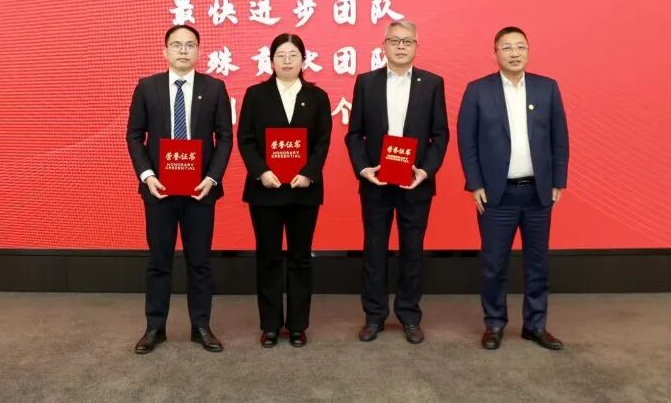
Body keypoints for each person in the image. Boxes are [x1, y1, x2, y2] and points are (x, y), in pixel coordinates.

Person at [457, 26, 569, 351]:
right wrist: (475, 183)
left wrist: (558, 180)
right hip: (497, 195)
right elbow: (466, 141)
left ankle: (535, 325)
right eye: (507, 47)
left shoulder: (547, 88)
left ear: (528, 51)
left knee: (538, 263)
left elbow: (560, 138)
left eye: (520, 46)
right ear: (495, 53)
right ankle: (494, 323)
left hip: (537, 193)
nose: (514, 53)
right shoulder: (478, 90)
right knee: (494, 264)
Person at [125, 24, 233, 354]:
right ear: (165, 51)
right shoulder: (147, 87)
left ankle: (201, 326)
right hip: (159, 190)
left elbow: (224, 138)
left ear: (199, 51)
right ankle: (154, 327)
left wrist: (212, 178)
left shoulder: (214, 88)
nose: (183, 50)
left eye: (189, 45)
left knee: (199, 262)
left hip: (200, 191)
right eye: (176, 45)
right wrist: (147, 175)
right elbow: (135, 135)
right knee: (159, 261)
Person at [345, 20, 449, 344]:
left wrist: (425, 171)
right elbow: (354, 134)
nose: (401, 46)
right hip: (376, 183)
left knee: (412, 251)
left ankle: (409, 315)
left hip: (415, 184)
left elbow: (440, 135)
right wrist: (364, 169)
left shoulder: (432, 83)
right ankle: (374, 316)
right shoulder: (366, 82)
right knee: (374, 250)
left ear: (416, 46)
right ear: (384, 45)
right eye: (394, 40)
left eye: (407, 41)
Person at [237, 33, 332, 348]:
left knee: (301, 257)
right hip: (266, 190)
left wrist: (309, 173)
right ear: (271, 61)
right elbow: (246, 139)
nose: (287, 61)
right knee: (268, 257)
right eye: (281, 55)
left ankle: (298, 325)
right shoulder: (256, 95)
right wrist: (261, 171)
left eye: (293, 55)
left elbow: (322, 141)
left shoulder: (317, 97)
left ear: (303, 60)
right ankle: (270, 324)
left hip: (304, 190)